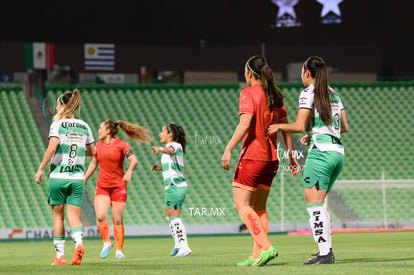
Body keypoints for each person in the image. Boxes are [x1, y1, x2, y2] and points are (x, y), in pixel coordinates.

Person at [268, 56, 349, 265]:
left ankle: (325, 253)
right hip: (337, 151)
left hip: (321, 152)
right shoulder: (334, 94)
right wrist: (314, 133)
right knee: (319, 202)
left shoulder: (308, 92)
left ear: (306, 73)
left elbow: (297, 125)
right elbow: (344, 127)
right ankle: (325, 251)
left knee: (313, 203)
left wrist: (278, 126)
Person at [221, 55, 299, 267]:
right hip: (272, 159)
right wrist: (291, 156)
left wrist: (228, 148)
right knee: (259, 208)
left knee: (241, 205)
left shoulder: (247, 93)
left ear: (249, 74)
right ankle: (257, 255)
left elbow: (245, 124)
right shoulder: (276, 96)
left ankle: (266, 247)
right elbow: (286, 129)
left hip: (252, 156)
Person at [35, 89, 95, 266]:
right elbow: (93, 152)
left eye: (58, 103)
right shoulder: (85, 126)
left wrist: (40, 169)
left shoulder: (57, 125)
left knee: (58, 217)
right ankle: (79, 243)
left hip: (58, 176)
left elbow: (52, 148)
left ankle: (60, 256)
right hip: (77, 177)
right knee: (74, 217)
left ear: (62, 105)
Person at [84, 120, 151, 259]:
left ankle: (119, 250)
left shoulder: (121, 145)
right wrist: (84, 179)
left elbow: (134, 160)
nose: (98, 131)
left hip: (118, 187)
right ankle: (107, 242)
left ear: (108, 130)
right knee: (101, 216)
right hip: (102, 186)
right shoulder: (98, 146)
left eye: (100, 128)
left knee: (117, 220)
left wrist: (129, 172)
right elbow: (94, 163)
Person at [151, 123, 192, 257]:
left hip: (176, 186)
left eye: (163, 131)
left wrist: (160, 148)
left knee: (174, 216)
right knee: (169, 214)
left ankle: (184, 246)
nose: (160, 134)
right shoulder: (171, 147)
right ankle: (177, 244)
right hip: (172, 186)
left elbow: (170, 151)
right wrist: (159, 168)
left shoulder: (174, 145)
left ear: (170, 134)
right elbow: (173, 166)